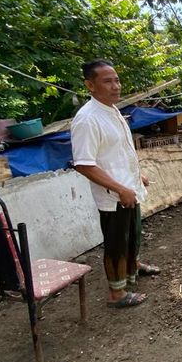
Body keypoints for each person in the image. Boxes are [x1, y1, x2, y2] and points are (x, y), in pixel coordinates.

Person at [71, 59, 160, 308]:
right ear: (90, 85)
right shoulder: (87, 119)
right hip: (115, 197)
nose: (116, 86)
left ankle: (133, 267)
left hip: (128, 190)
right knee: (116, 242)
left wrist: (136, 177)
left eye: (117, 80)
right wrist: (120, 188)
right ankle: (116, 293)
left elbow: (117, 152)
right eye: (107, 81)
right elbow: (84, 164)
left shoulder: (112, 111)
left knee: (133, 235)